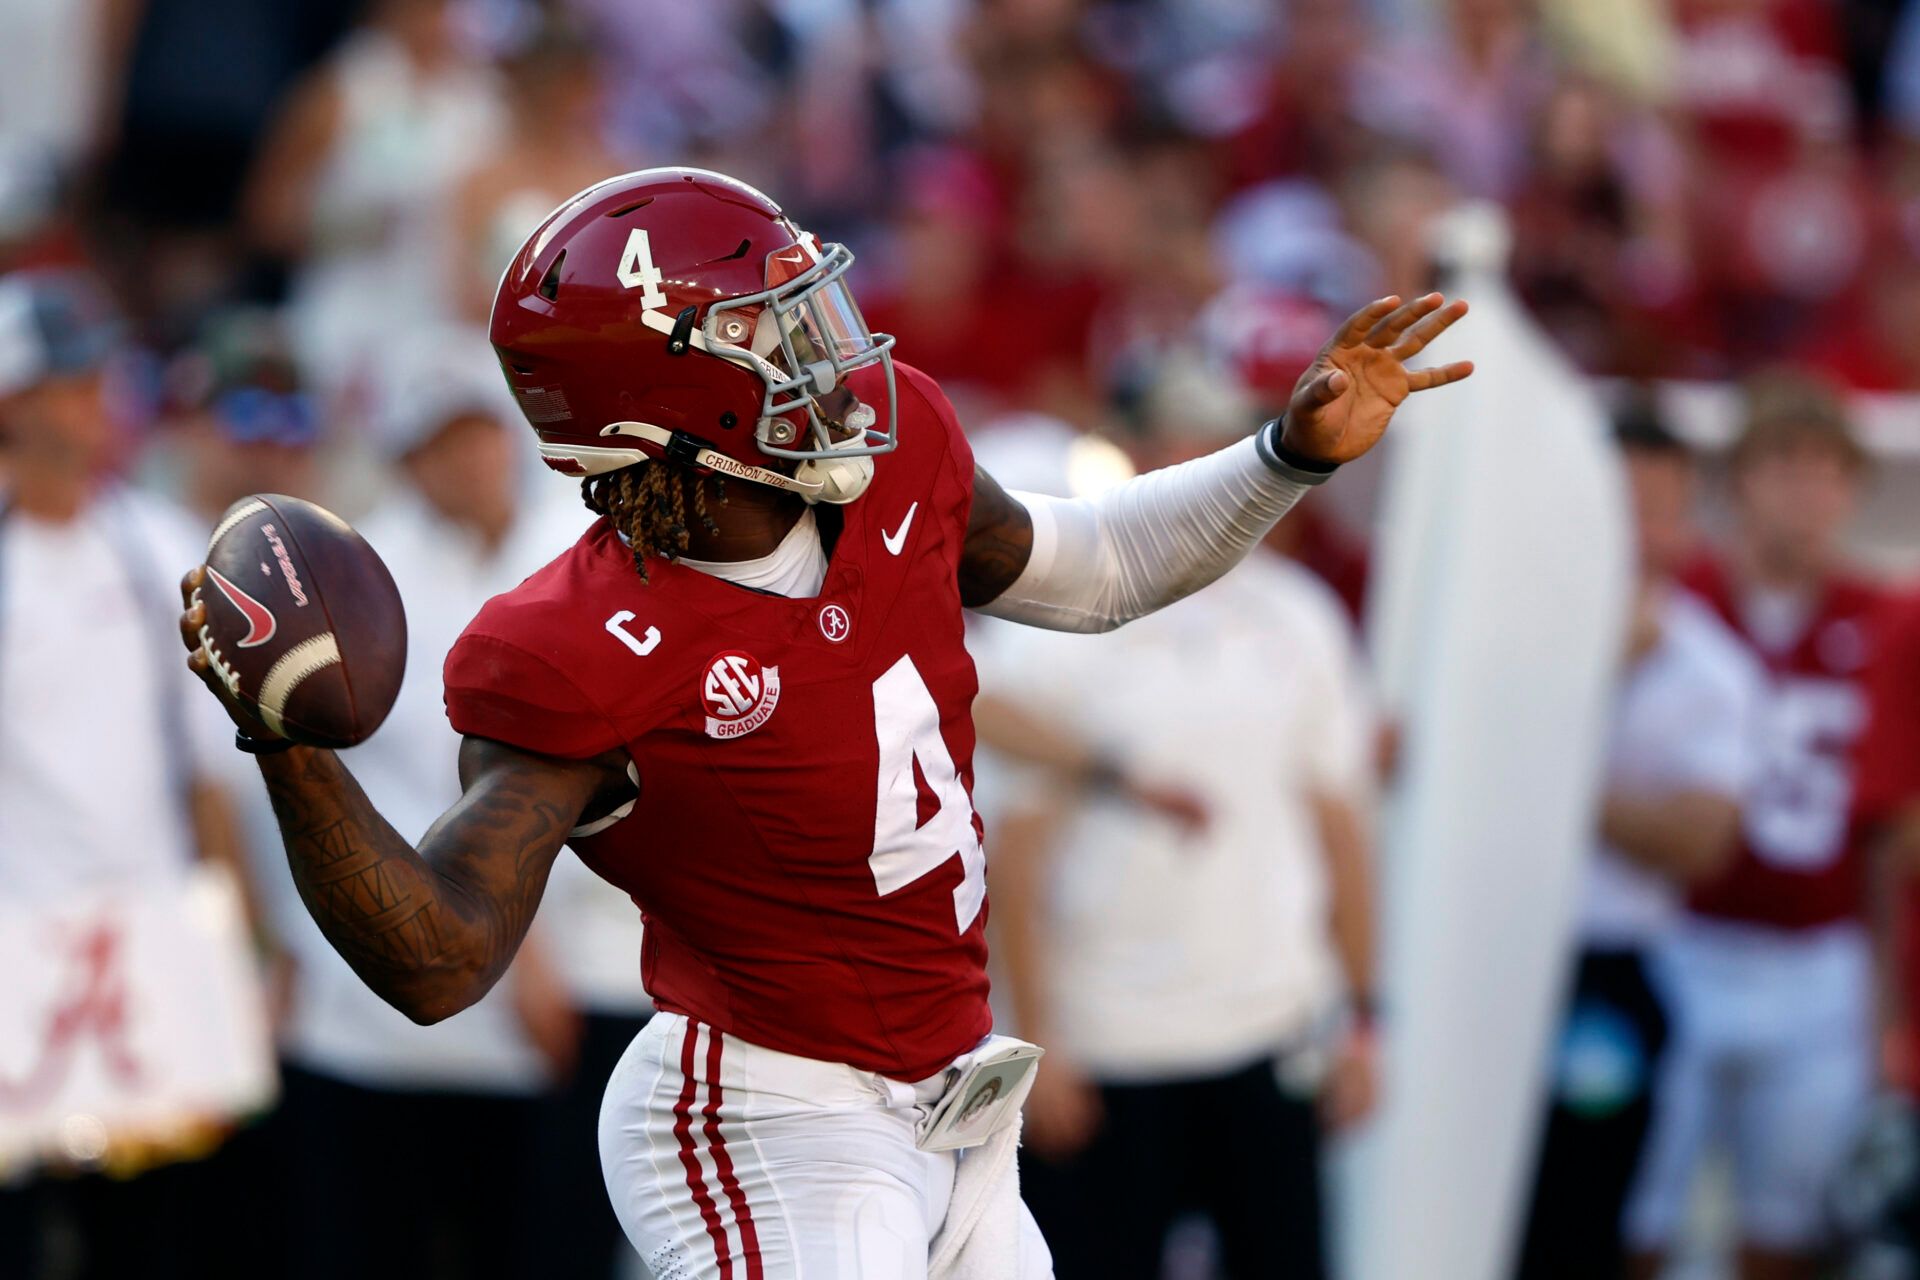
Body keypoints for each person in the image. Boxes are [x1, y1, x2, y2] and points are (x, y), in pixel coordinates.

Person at [175, 167, 1473, 1278]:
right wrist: (289, 744)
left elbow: (1097, 572)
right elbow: (442, 959)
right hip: (768, 1110)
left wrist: (1282, 458)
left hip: (954, 1094)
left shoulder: (899, 449)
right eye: (777, 332)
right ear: (665, 406)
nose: (835, 352)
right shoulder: (576, 645)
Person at [969, 405, 1381, 1280]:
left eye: (1204, 442)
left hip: (1270, 1028)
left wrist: (1365, 1021)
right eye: (1164, 439)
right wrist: (1040, 1045)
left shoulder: (1300, 618)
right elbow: (1016, 843)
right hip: (1112, 1038)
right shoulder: (1069, 607)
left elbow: (1341, 828)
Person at [269, 329, 588, 1280]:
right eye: (443, 442)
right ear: (408, 460)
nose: (472, 458)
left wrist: (542, 960)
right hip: (374, 989)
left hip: (545, 986)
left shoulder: (567, 544)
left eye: (481, 433)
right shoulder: (362, 580)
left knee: (529, 1243)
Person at [0, 270, 267, 1279]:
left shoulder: (155, 548)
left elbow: (207, 775)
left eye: (98, 379)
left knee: (155, 1240)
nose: (95, 402)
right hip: (13, 951)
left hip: (147, 947)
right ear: (15, 403)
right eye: (70, 384)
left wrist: (234, 947)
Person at [1627, 373, 1886, 1280]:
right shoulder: (1676, 603)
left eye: (1827, 472)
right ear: (1737, 481)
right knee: (1637, 1216)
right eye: (1784, 467)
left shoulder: (1892, 622)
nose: (1806, 495)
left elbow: (1894, 830)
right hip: (1682, 937)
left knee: (1787, 1233)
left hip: (1819, 956)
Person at [1514, 402, 1764, 1280]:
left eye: (1656, 508)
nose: (1634, 530)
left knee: (1580, 1220)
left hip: (1605, 972)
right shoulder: (1498, 632)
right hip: (1489, 957)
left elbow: (1699, 844)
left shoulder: (1712, 670)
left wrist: (1549, 765)